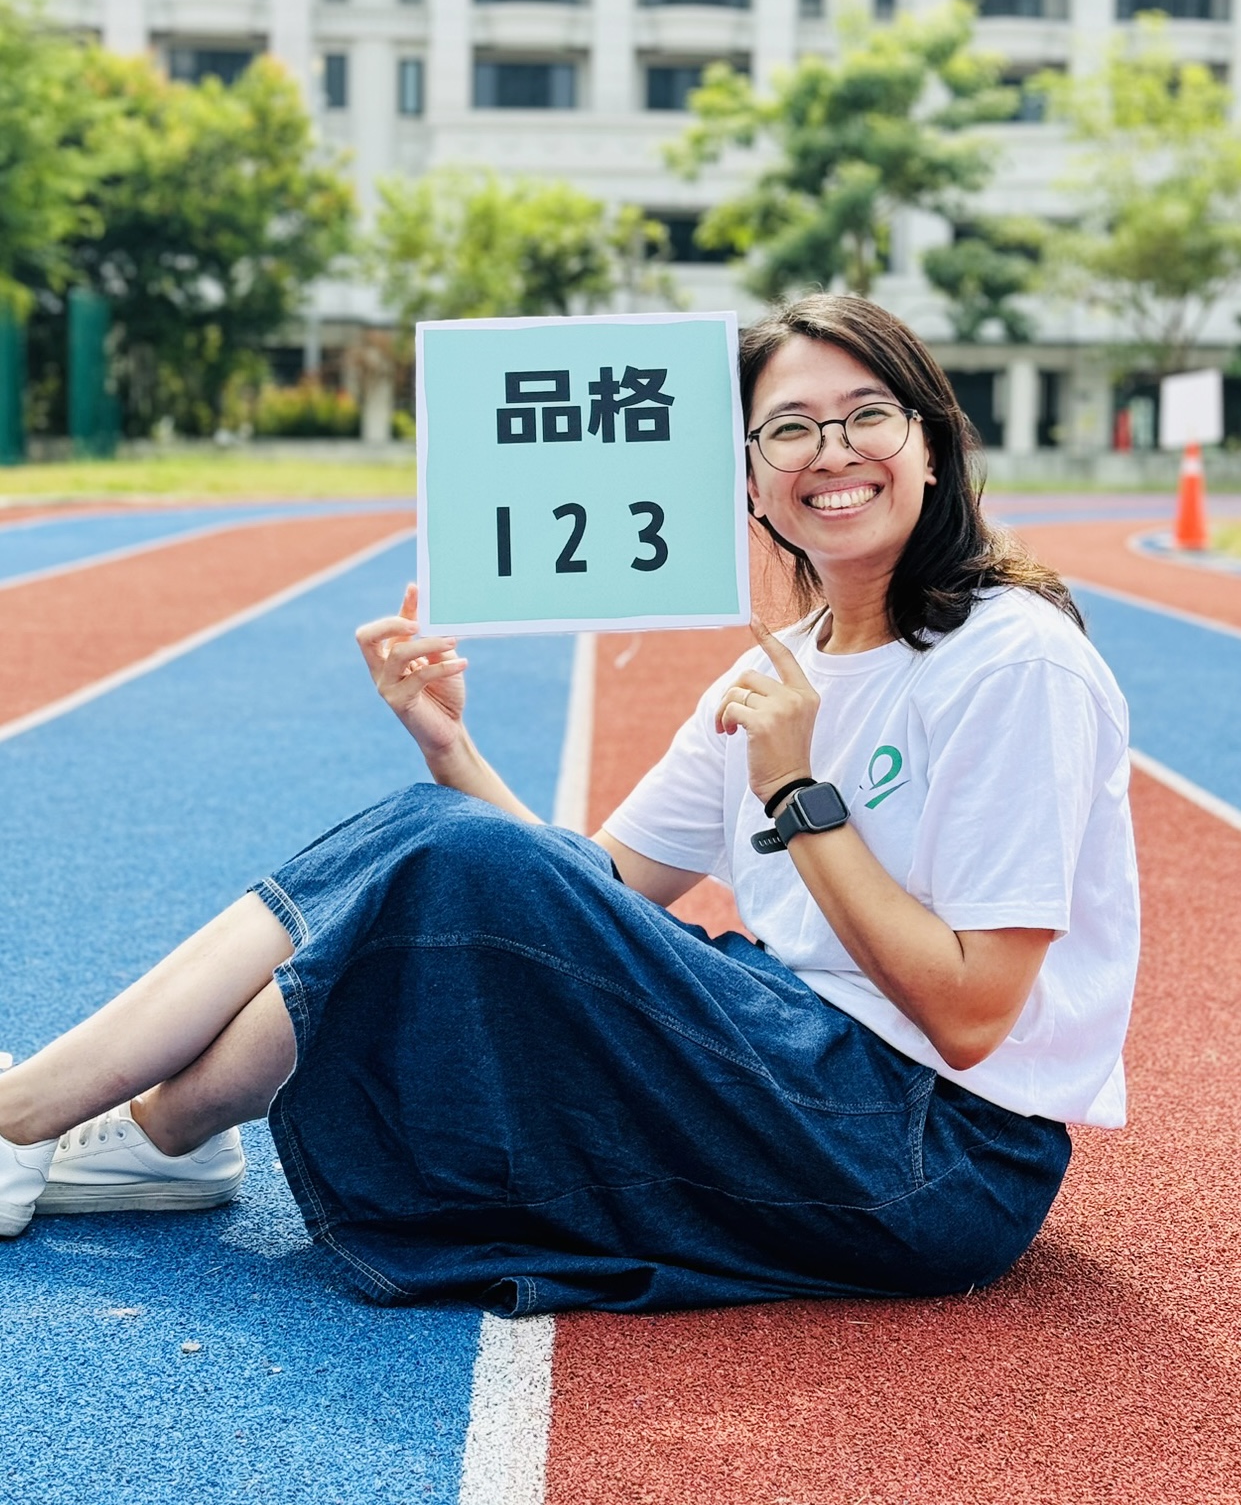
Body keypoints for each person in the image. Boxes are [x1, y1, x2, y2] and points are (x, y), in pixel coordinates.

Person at [0, 295, 1139, 1316]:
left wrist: (798, 791)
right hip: (800, 1063)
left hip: (929, 1148)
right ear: (746, 477)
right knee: (438, 843)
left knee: (442, 854)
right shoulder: (779, 666)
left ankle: (47, 1120)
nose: (829, 452)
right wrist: (450, 747)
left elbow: (972, 1014)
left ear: (930, 444)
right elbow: (584, 899)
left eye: (866, 415)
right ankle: (128, 1130)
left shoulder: (1008, 660)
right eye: (788, 427)